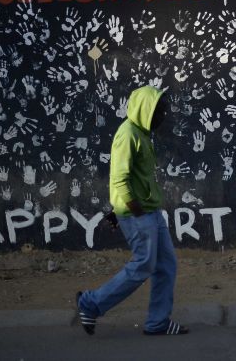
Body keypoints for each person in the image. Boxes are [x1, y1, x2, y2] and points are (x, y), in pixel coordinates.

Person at [76, 85, 187, 335]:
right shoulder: (127, 135)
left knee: (166, 264)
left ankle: (158, 322)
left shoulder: (142, 134)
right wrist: (132, 210)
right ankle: (90, 304)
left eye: (163, 111)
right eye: (158, 111)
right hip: (138, 213)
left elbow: (138, 177)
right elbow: (119, 178)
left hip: (149, 211)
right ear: (145, 109)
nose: (162, 117)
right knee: (143, 265)